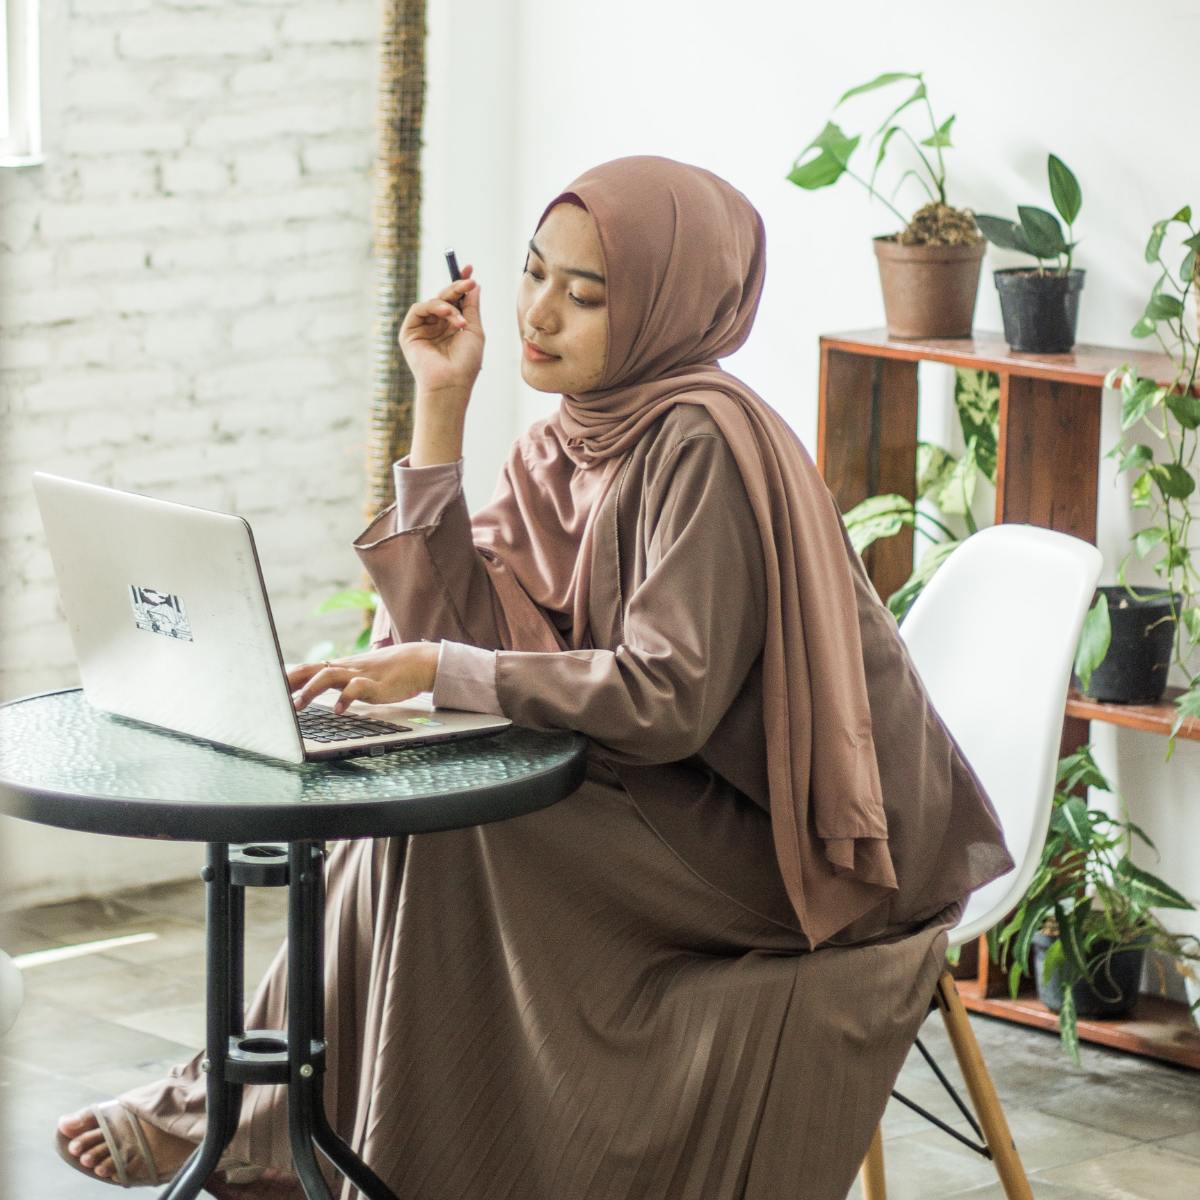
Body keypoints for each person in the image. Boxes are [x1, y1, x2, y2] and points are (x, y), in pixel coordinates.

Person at [56, 155, 1013, 1199]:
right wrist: (442, 404)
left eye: (587, 293)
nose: (541, 312)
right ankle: (264, 1116)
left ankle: (277, 1126)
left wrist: (436, 666)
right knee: (409, 815)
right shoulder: (571, 439)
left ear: (668, 306)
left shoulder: (702, 443)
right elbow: (455, 629)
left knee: (450, 830)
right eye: (533, 273)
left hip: (787, 854)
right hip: (668, 800)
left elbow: (666, 698)